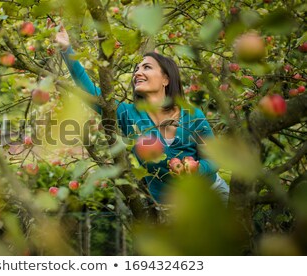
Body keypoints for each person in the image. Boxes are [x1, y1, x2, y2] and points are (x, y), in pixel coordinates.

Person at [53, 24, 229, 205]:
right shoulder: (127, 114)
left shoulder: (193, 116)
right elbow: (89, 91)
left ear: (166, 79)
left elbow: (215, 160)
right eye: (136, 69)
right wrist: (66, 49)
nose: (138, 72)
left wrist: (195, 170)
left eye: (146, 67)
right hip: (169, 208)